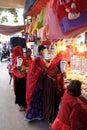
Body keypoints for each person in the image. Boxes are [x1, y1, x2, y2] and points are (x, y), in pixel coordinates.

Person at [43, 51, 67, 123]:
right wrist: (65, 76)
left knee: (50, 99)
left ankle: (48, 116)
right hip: (52, 83)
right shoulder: (63, 60)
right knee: (53, 100)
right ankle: (52, 119)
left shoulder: (55, 59)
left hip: (48, 80)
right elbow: (63, 71)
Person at [25, 45, 46, 121]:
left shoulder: (33, 68)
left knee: (33, 102)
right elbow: (43, 76)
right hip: (38, 88)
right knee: (38, 102)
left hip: (33, 88)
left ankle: (30, 116)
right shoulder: (39, 70)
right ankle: (38, 116)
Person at [11, 46, 27, 111]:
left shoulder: (15, 57)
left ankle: (21, 104)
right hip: (21, 78)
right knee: (21, 91)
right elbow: (19, 68)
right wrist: (26, 69)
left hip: (18, 77)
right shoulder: (19, 58)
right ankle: (22, 105)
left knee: (19, 91)